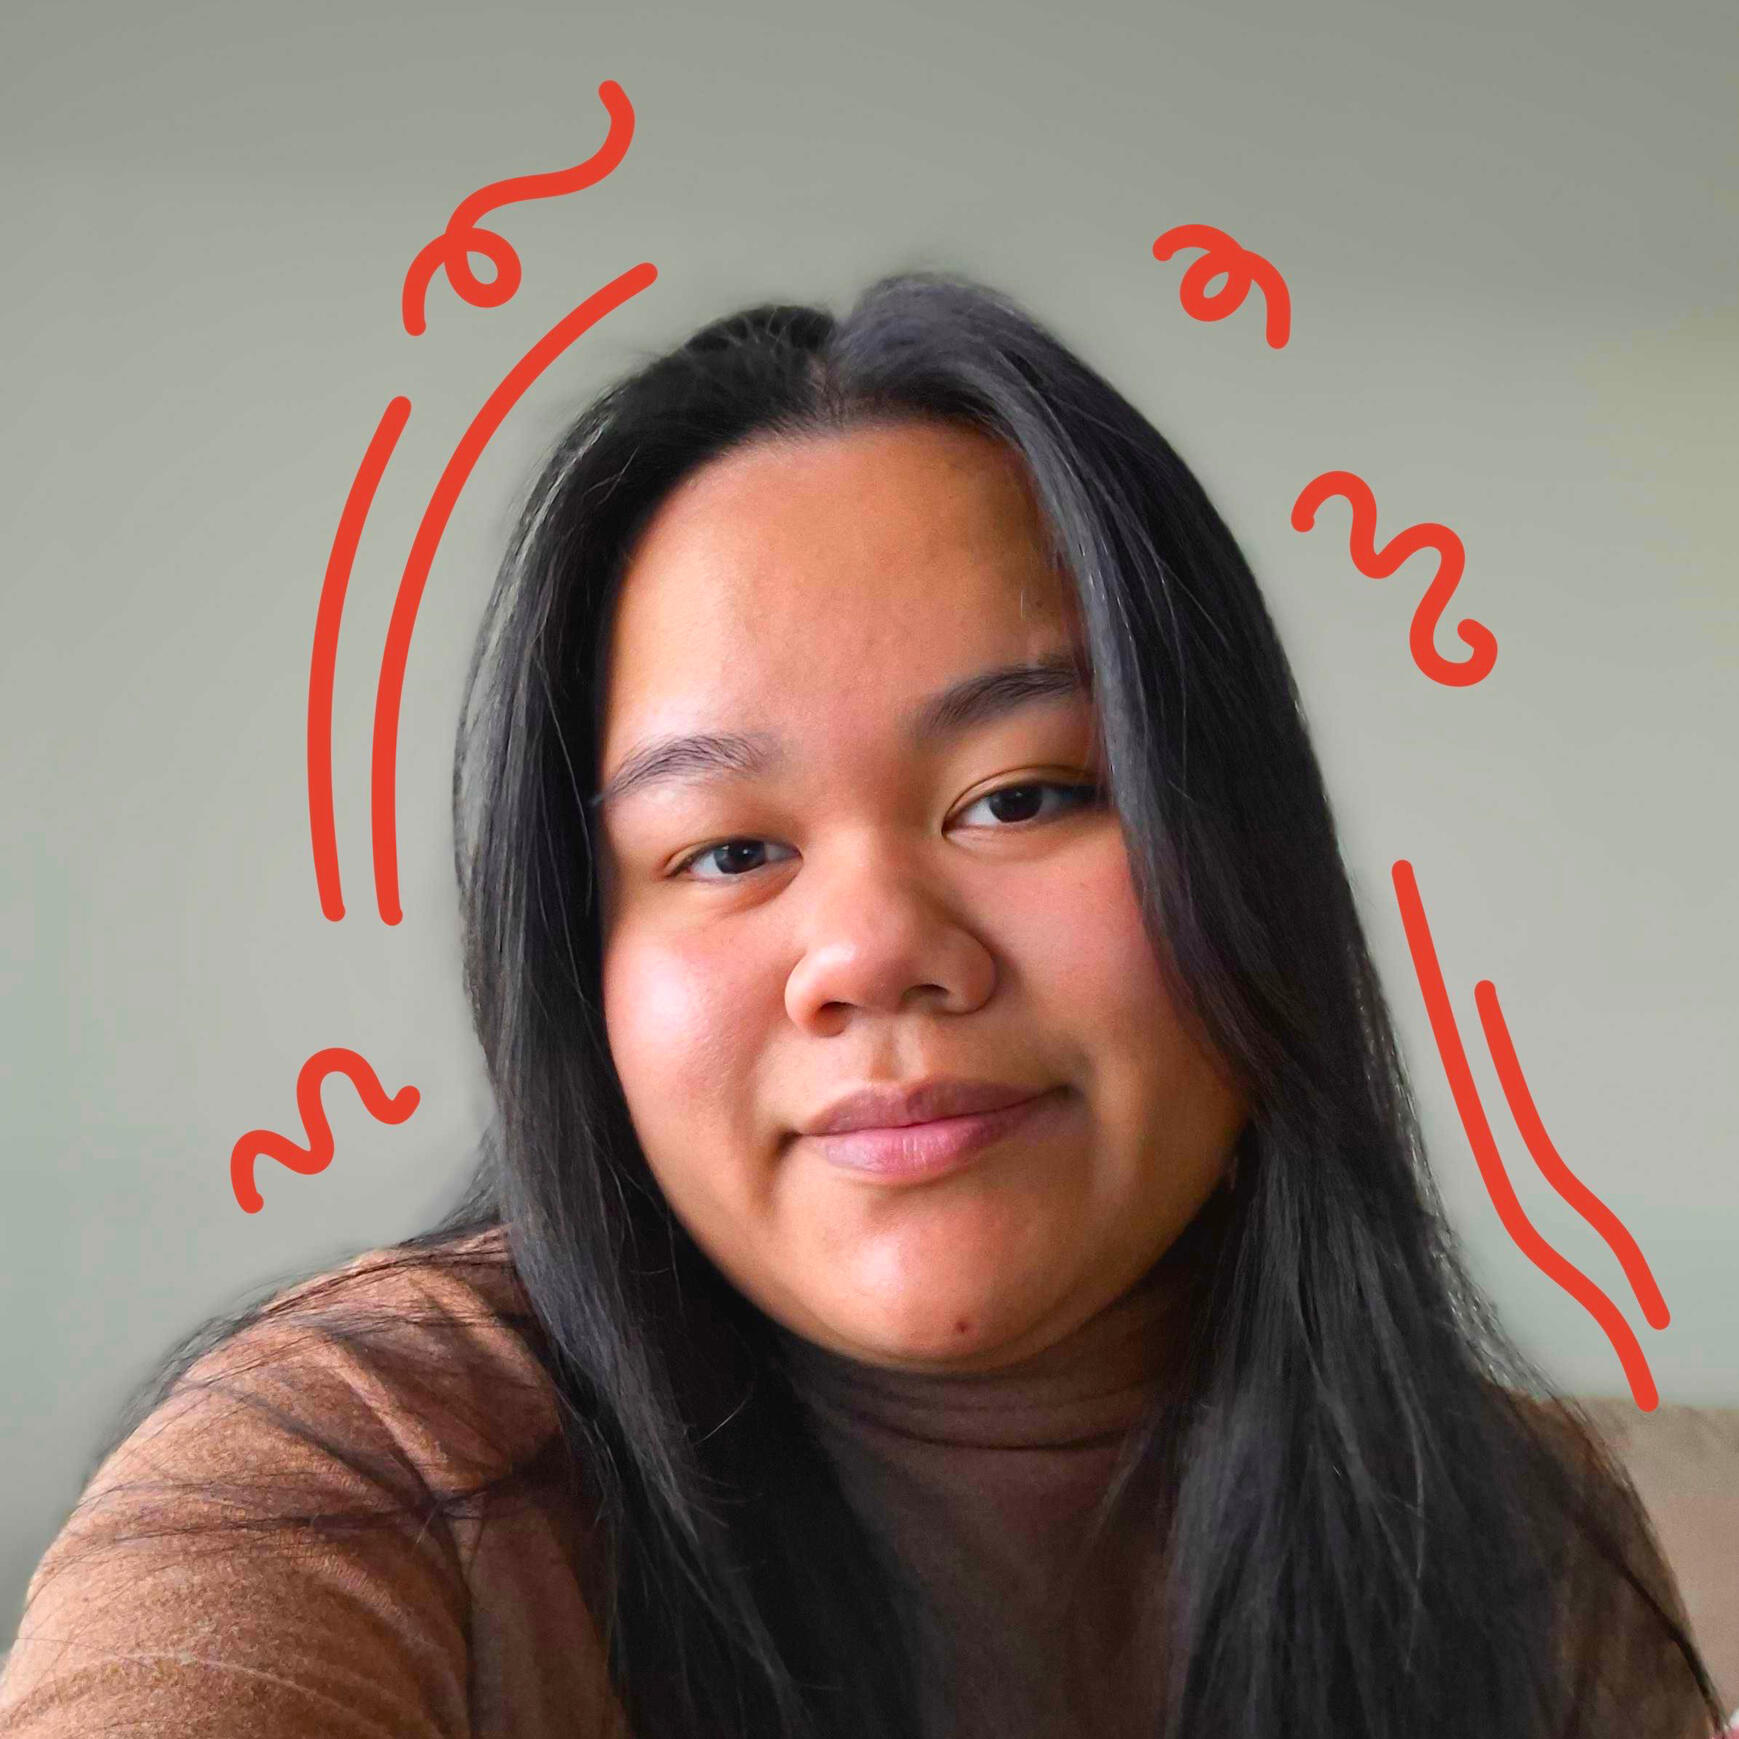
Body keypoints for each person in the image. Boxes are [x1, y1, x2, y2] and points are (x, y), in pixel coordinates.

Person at [0, 273, 1722, 1739]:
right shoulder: (357, 1473)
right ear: (582, 977)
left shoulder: (1507, 1541)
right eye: (728, 849)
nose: (874, 952)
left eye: (1024, 796)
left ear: (1246, 857)